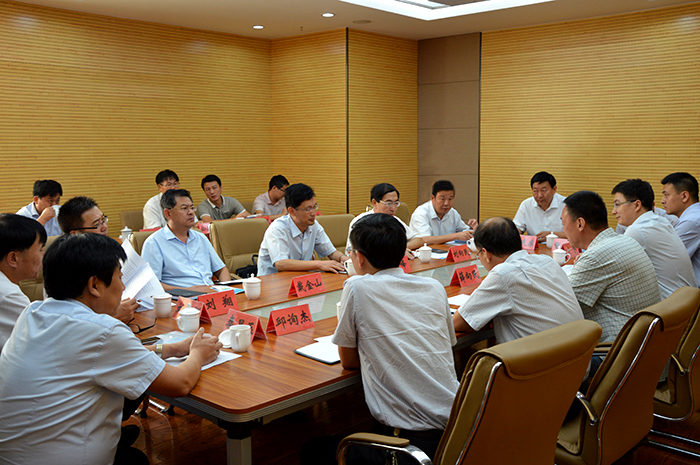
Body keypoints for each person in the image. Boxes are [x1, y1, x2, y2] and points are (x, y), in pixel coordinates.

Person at [0, 233, 222, 465]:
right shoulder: (101, 330)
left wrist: (172, 349)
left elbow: (106, 357)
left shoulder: (33, 312)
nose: (123, 286)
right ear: (94, 285)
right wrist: (198, 354)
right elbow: (180, 384)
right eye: (120, 277)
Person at [330, 213, 458, 463]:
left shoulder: (357, 287)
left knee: (313, 449)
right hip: (459, 430)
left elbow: (349, 362)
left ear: (360, 258)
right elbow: (448, 344)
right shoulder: (434, 287)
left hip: (409, 447)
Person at [453, 217, 583, 343]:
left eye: (478, 255)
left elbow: (457, 323)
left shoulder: (503, 274)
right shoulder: (547, 261)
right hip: (580, 352)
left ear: (486, 253)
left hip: (544, 357)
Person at [562, 190, 660, 343]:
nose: (563, 229)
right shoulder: (625, 241)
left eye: (563, 223)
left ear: (580, 224)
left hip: (616, 348)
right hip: (646, 342)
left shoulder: (595, 257)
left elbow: (563, 306)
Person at [58, 196, 140, 323]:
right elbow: (68, 320)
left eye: (103, 220)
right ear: (76, 234)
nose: (105, 227)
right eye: (97, 224)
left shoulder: (107, 252)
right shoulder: (61, 264)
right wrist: (113, 318)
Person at [611, 179, 696, 299]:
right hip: (686, 301)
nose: (613, 211)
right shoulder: (660, 221)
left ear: (637, 205)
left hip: (669, 305)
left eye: (617, 204)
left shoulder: (638, 230)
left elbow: (612, 266)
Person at [142, 189, 231, 291]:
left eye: (192, 208)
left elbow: (221, 270)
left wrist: (226, 290)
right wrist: (188, 291)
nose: (191, 212)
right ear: (168, 214)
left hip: (211, 293)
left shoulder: (200, 237)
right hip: (181, 297)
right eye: (184, 208)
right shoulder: (154, 243)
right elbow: (152, 284)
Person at [257, 183, 348, 276]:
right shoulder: (277, 228)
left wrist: (343, 258)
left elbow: (331, 252)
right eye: (308, 209)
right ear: (292, 211)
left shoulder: (314, 225)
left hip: (302, 279)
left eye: (314, 207)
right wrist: (319, 264)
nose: (313, 213)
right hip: (273, 281)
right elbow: (281, 264)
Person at [0, 214, 46, 353]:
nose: (43, 255)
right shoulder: (9, 296)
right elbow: (41, 343)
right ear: (13, 258)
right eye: (40, 249)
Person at [346, 183, 423, 255]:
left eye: (396, 203)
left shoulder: (394, 220)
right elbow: (353, 252)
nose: (393, 208)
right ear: (374, 203)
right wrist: (395, 250)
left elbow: (419, 240)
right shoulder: (361, 222)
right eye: (388, 203)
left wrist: (401, 249)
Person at [409, 179, 478, 245]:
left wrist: (474, 229)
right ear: (432, 198)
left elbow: (463, 232)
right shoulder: (421, 213)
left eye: (450, 199)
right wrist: (456, 236)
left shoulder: (452, 213)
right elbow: (424, 240)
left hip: (445, 250)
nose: (446, 203)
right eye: (442, 199)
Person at [661, 172, 700, 285]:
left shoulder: (691, 221)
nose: (662, 201)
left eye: (666, 195)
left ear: (684, 196)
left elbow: (669, 260)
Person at [513, 171, 566, 242]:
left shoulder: (566, 205)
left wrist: (552, 235)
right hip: (535, 247)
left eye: (543, 190)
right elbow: (517, 228)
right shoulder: (526, 205)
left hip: (559, 247)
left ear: (554, 189)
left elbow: (575, 234)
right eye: (535, 191)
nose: (539, 195)